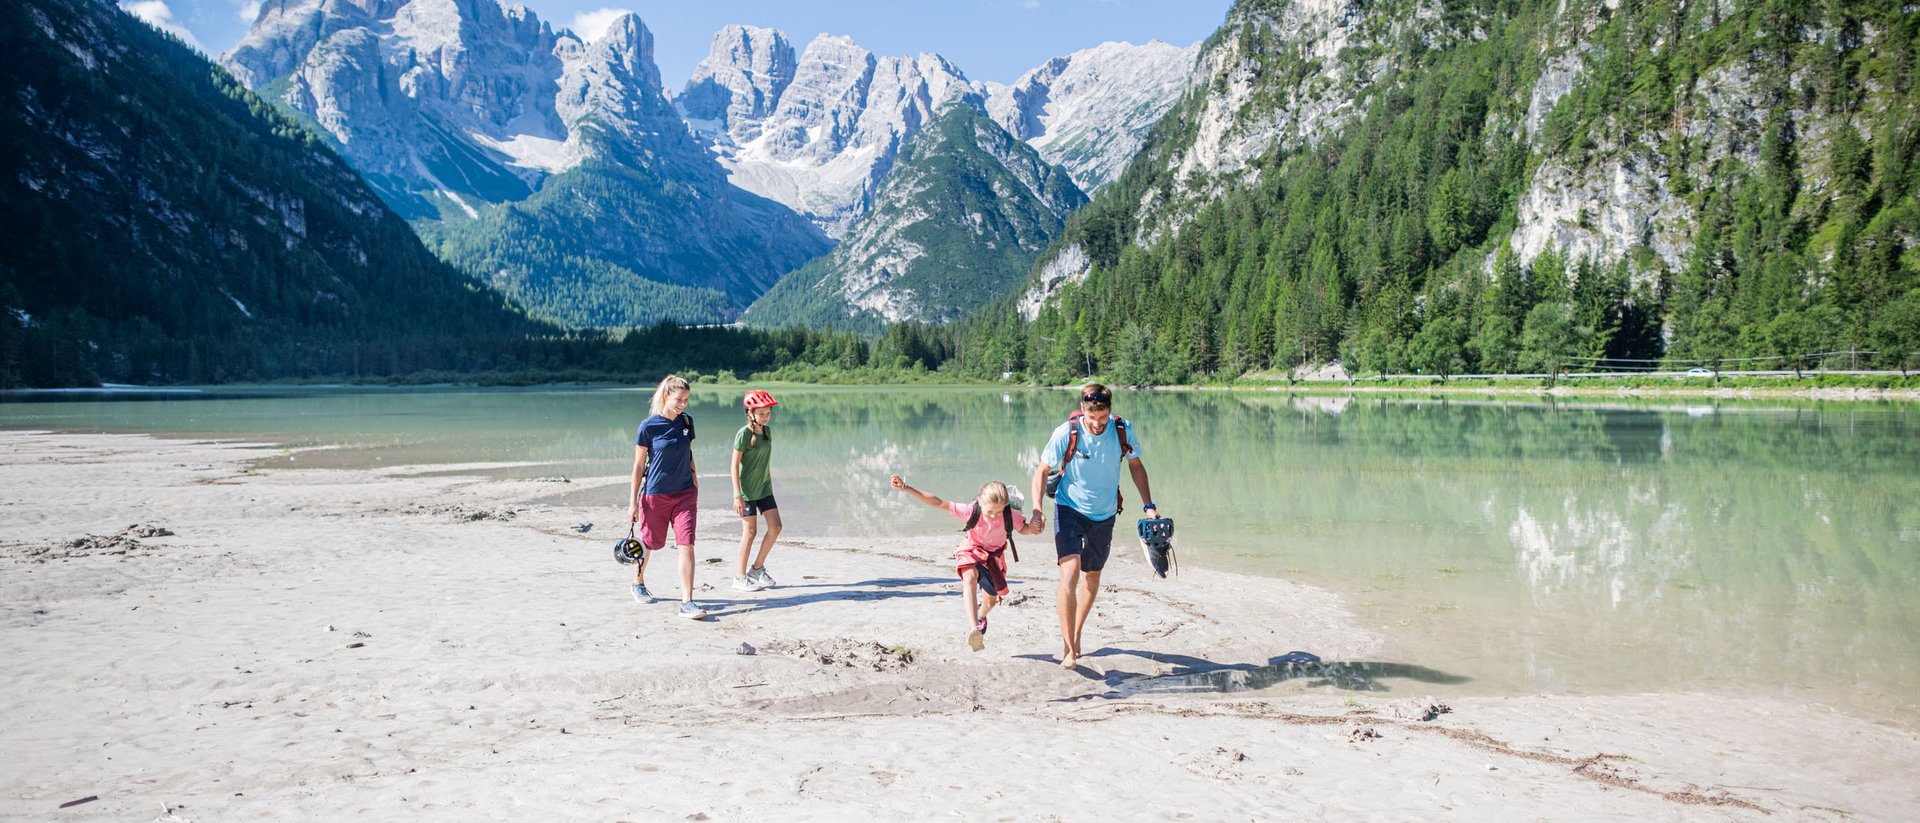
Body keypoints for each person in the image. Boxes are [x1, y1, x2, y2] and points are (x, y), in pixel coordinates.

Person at [1029, 383, 1159, 669]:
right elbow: (1042, 471)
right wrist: (1037, 509)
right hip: (1069, 508)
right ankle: (1068, 648)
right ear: (1083, 411)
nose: (1097, 424)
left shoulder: (1122, 429)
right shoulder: (1067, 432)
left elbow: (1136, 466)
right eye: (1092, 418)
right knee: (1070, 571)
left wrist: (1149, 505)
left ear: (1110, 411)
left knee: (1093, 575)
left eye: (1102, 417)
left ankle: (1076, 633)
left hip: (1105, 514)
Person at [890, 476, 1045, 651]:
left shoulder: (1009, 515)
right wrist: (907, 488)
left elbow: (1023, 528)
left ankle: (981, 616)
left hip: (993, 560)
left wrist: (1033, 529)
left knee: (990, 603)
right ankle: (973, 629)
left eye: (998, 512)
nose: (994, 516)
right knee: (969, 578)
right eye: (990, 512)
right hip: (971, 550)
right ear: (980, 501)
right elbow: (938, 502)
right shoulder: (971, 511)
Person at [627, 374, 710, 619]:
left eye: (686, 399)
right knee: (649, 543)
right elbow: (638, 466)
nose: (683, 404)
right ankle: (638, 583)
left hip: (685, 494)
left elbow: (689, 453)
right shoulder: (648, 426)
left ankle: (687, 602)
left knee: (687, 544)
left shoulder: (687, 422)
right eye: (679, 399)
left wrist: (695, 481)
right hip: (655, 495)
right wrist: (632, 502)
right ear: (666, 396)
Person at [730, 389, 783, 592]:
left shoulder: (767, 432)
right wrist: (737, 495)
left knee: (776, 527)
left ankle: (757, 568)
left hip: (764, 488)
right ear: (750, 413)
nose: (765, 417)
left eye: (768, 413)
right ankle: (739, 577)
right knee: (750, 533)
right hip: (746, 492)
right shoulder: (743, 434)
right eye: (761, 413)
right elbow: (734, 465)